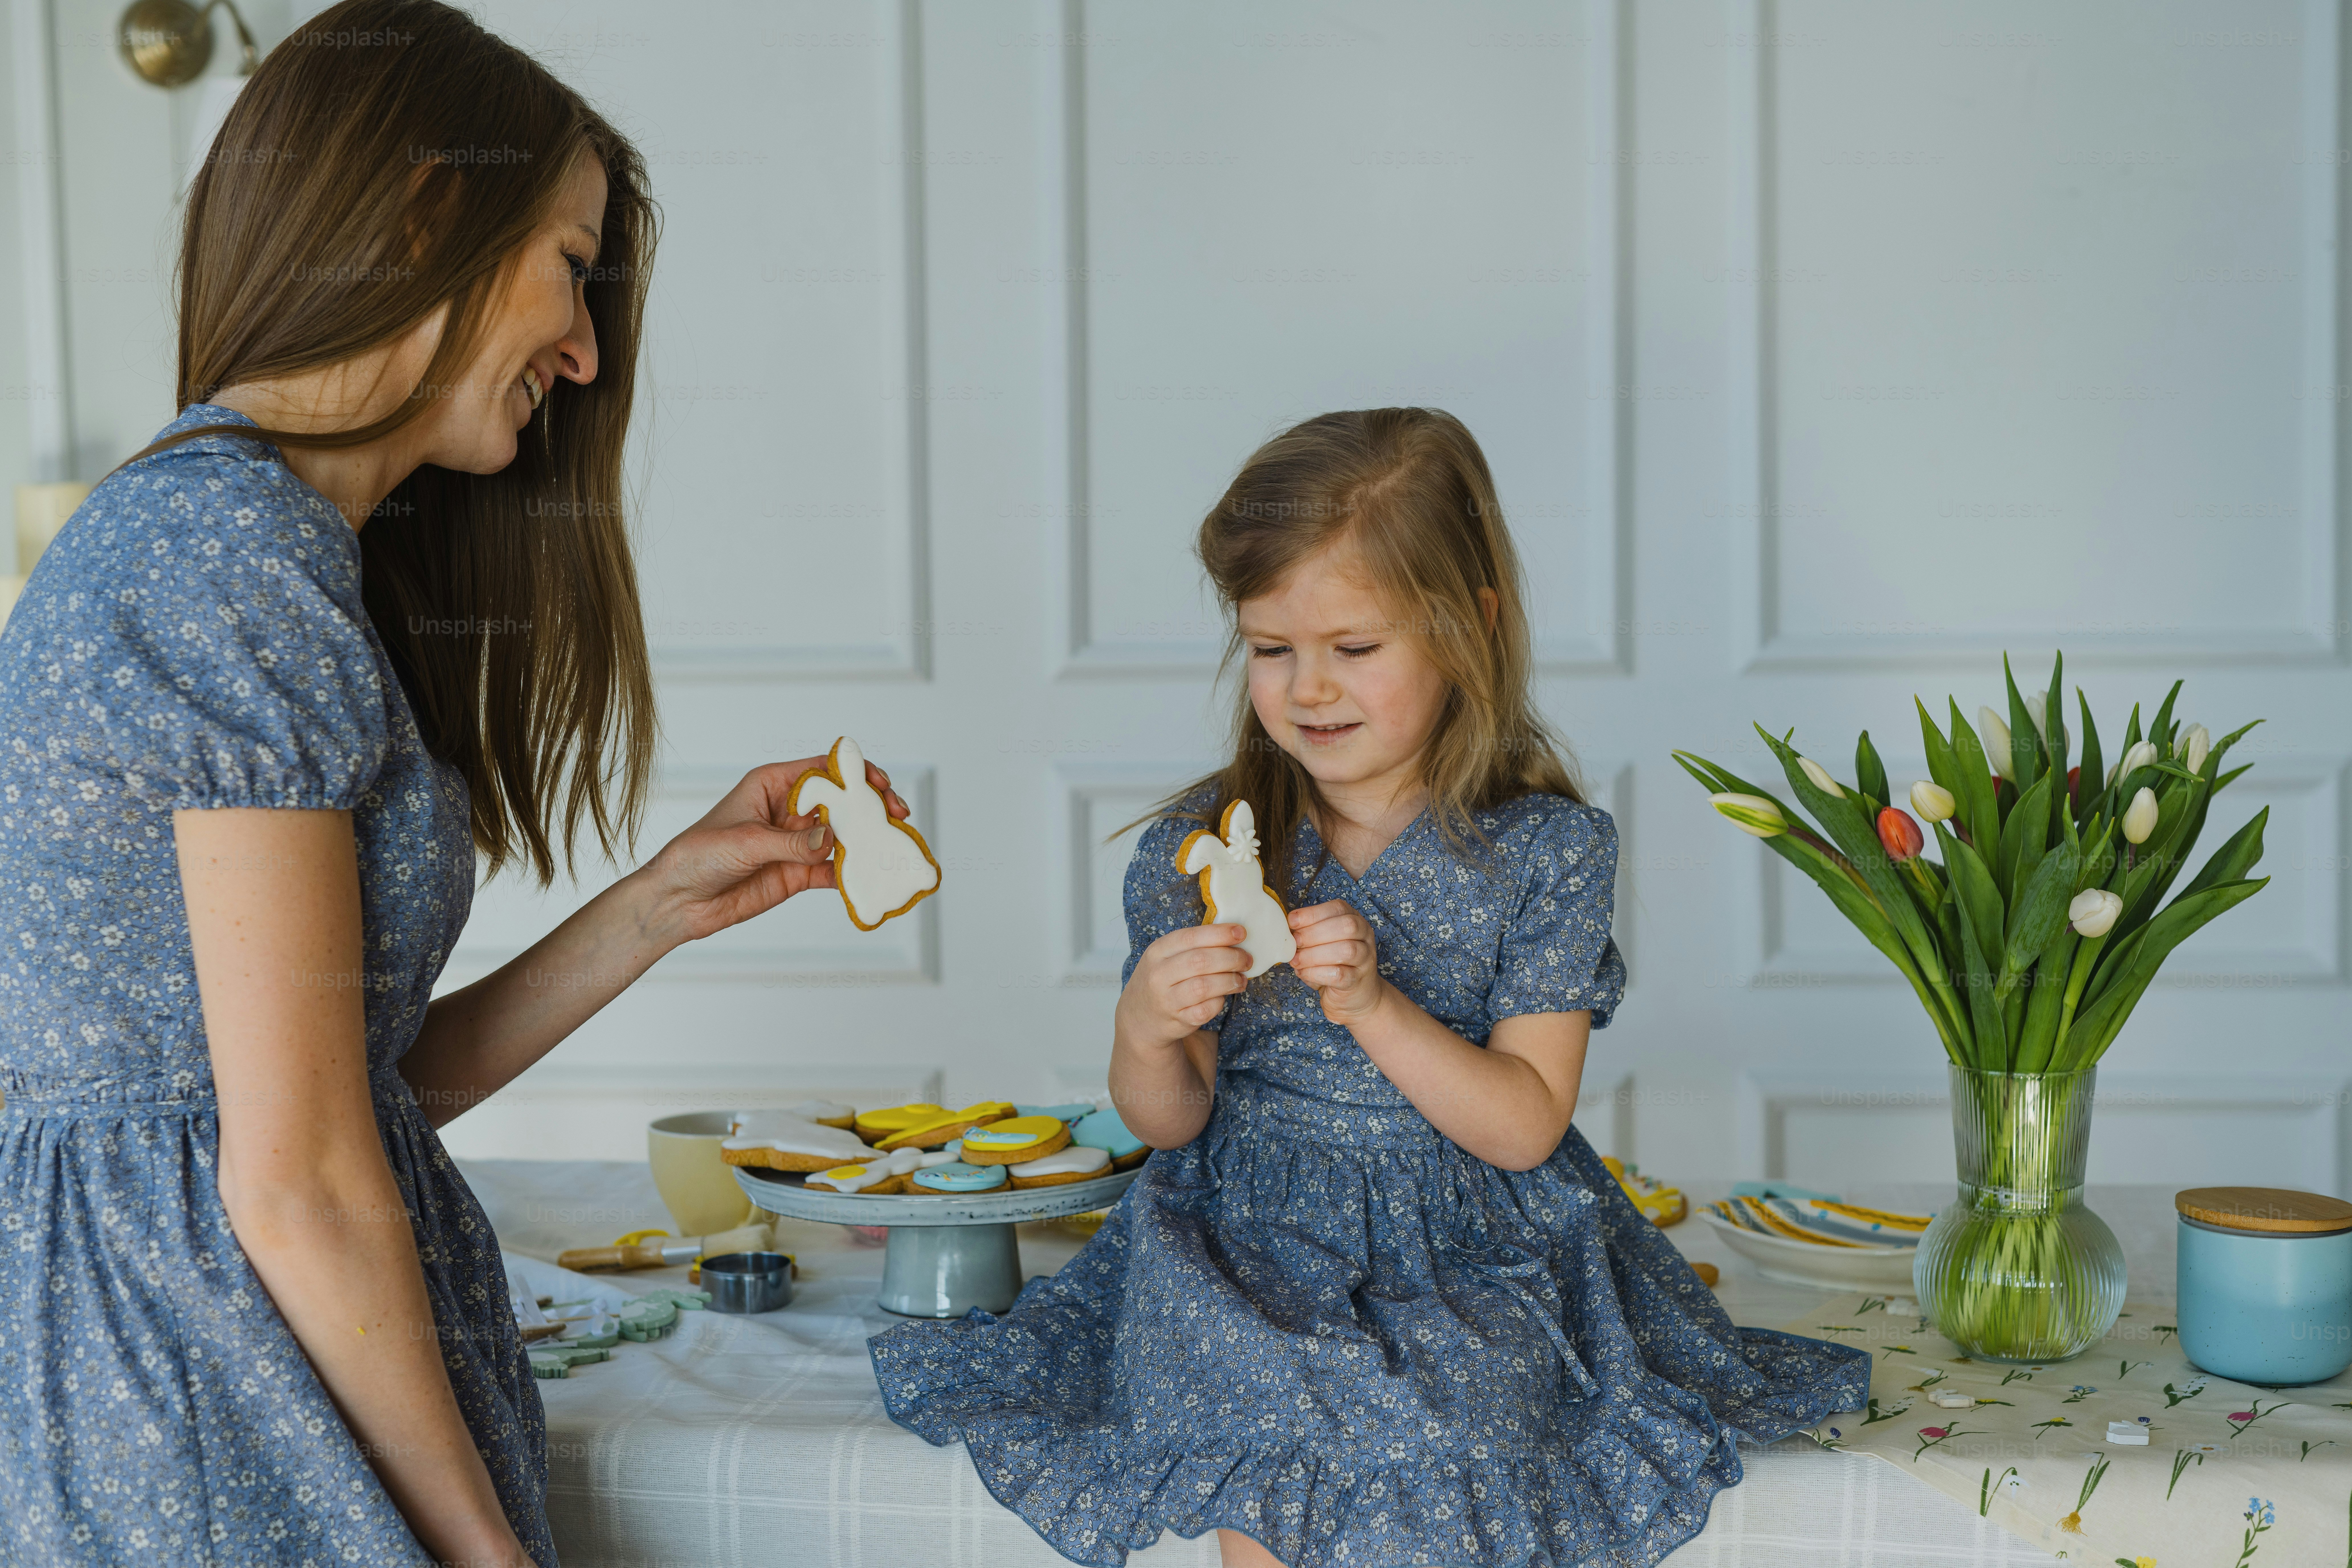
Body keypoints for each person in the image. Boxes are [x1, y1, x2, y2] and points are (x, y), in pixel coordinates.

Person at [0, 3, 906, 1563]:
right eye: (570, 263)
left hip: (212, 1363)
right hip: (212, 1403)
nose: (587, 347)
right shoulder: (227, 561)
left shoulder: (255, 542)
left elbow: (338, 1106)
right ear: (431, 215)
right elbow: (294, 1181)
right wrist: (483, 1555)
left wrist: (654, 909)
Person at [870, 408, 1870, 1568]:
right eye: (1269, 646)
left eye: (1355, 647)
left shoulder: (1546, 854)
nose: (1308, 688)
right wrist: (1145, 1026)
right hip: (1242, 1231)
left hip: (1475, 1239)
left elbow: (1526, 1122)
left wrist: (1379, 1008)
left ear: (1469, 629)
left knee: (1475, 1404)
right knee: (1261, 1394)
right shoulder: (1201, 846)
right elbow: (1171, 1116)